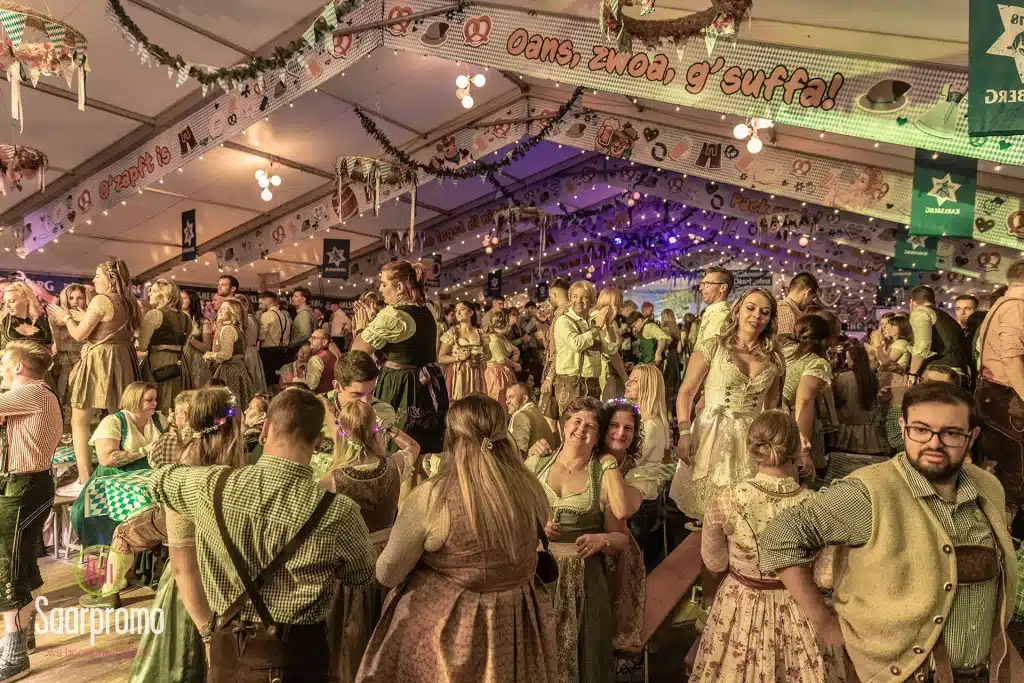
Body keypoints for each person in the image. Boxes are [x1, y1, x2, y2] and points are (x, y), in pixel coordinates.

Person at [760, 382, 1017, 683]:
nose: (934, 443)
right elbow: (780, 536)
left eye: (951, 433)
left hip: (982, 672)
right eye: (921, 430)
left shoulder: (988, 488)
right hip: (901, 675)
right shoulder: (870, 493)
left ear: (971, 437)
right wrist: (823, 621)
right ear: (903, 427)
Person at [149, 387, 376, 683]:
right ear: (319, 442)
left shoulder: (209, 487)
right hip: (297, 655)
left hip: (227, 649)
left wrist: (196, 446)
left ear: (265, 429)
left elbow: (157, 482)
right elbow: (360, 576)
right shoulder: (340, 512)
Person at [357, 395, 556, 683]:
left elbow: (388, 573)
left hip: (449, 633)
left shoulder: (434, 497)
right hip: (516, 625)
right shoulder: (531, 489)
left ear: (451, 438)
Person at [691, 410, 845, 683]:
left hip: (740, 606)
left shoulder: (727, 500)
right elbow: (825, 576)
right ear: (797, 450)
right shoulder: (816, 505)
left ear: (753, 448)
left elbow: (714, 562)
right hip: (802, 610)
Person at [128, 388, 244, 683]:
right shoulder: (184, 479)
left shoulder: (233, 471)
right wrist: (207, 631)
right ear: (232, 427)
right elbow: (183, 564)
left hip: (228, 588)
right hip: (195, 597)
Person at [525, 396, 633, 683]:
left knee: (586, 663)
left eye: (591, 426)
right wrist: (534, 527)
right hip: (537, 580)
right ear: (563, 426)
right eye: (576, 421)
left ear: (597, 437)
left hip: (585, 584)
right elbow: (510, 515)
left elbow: (622, 539)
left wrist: (602, 540)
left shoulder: (602, 473)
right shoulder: (536, 463)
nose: (581, 429)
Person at [671, 288, 787, 524]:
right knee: (711, 517)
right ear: (738, 309)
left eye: (765, 312)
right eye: (751, 308)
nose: (756, 316)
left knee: (747, 517)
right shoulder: (713, 346)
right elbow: (686, 392)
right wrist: (684, 431)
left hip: (753, 440)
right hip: (712, 437)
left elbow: (772, 405)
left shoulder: (774, 356)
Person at [320, 400, 401, 683]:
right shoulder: (394, 464)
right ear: (374, 428)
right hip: (390, 560)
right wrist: (389, 429)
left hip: (353, 566)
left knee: (352, 639)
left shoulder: (333, 479)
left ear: (343, 433)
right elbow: (413, 448)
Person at [48, 259, 142, 497]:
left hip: (100, 360)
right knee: (118, 416)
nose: (94, 280)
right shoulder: (131, 302)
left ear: (110, 279)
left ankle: (84, 480)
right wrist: (83, 315)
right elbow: (112, 325)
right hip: (122, 358)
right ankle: (120, 472)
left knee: (80, 419)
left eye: (97, 276)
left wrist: (66, 317)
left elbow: (80, 335)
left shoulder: (101, 300)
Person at [0, 341, 61, 682]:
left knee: (7, 566)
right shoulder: (30, 397)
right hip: (23, 486)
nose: (1, 367)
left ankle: (15, 651)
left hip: (25, 487)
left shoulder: (35, 393)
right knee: (20, 560)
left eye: (3, 362)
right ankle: (26, 633)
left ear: (20, 367)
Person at [350, 261, 448, 453]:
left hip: (400, 385)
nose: (380, 289)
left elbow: (358, 352)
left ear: (400, 287)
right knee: (420, 449)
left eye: (384, 284)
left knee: (396, 446)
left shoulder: (394, 315)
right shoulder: (427, 309)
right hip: (424, 385)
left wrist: (361, 328)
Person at [69, 381, 166, 549]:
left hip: (148, 477)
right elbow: (107, 459)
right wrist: (145, 450)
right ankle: (120, 549)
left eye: (155, 399)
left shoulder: (159, 419)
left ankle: (149, 553)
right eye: (149, 400)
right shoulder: (113, 422)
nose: (155, 403)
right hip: (113, 478)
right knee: (131, 513)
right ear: (135, 400)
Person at [976, 259, 1024, 509]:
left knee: (1005, 464)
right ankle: (1011, 540)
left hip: (995, 394)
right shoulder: (1017, 307)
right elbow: (1012, 358)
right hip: (1007, 398)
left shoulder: (1001, 305)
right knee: (1016, 468)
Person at [550, 281, 615, 418]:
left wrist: (608, 325)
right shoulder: (563, 321)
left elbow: (611, 348)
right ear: (569, 298)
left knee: (592, 425)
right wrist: (597, 328)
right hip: (571, 383)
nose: (578, 301)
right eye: (574, 296)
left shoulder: (593, 322)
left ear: (591, 301)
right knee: (572, 426)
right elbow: (576, 344)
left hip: (592, 381)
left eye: (584, 297)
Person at [780, 314, 834, 472]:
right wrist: (803, 451)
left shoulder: (784, 350)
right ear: (824, 340)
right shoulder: (817, 362)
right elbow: (804, 400)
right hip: (789, 421)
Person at [137, 279, 192, 412]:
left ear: (165, 295)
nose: (149, 294)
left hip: (158, 364)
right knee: (178, 407)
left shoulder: (154, 314)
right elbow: (184, 345)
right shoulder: (186, 318)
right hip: (180, 364)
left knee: (156, 405)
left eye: (155, 291)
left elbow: (142, 345)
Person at [908, 285, 971, 381]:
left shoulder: (920, 312)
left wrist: (912, 374)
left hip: (939, 374)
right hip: (957, 374)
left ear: (912, 302)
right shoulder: (947, 317)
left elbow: (922, 345)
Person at [204, 298, 255, 408]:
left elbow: (226, 354)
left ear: (234, 312)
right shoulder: (238, 329)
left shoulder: (227, 329)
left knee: (229, 404)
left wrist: (210, 355)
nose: (221, 311)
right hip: (240, 369)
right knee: (238, 404)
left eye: (225, 308)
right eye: (221, 308)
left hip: (230, 370)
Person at [51, 284, 87, 426]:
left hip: (84, 364)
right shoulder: (55, 318)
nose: (75, 301)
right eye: (71, 297)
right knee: (61, 404)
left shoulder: (90, 318)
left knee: (82, 409)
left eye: (80, 298)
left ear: (85, 299)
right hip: (62, 364)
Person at [438, 301, 487, 402]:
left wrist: (483, 357)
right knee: (458, 405)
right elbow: (441, 358)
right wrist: (458, 357)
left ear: (471, 312)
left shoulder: (480, 332)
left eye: (462, 309)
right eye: (456, 311)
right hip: (458, 374)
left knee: (476, 404)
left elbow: (488, 354)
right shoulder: (453, 332)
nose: (458, 313)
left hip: (476, 373)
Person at [592, 287, 627, 401]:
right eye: (619, 302)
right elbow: (611, 351)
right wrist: (625, 377)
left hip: (603, 371)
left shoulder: (609, 320)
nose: (621, 306)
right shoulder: (600, 319)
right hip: (603, 372)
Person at [483, 310, 521, 412]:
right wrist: (515, 364)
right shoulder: (494, 339)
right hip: (496, 375)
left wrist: (515, 355)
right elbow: (501, 360)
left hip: (504, 372)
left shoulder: (501, 336)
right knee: (500, 401)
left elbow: (514, 348)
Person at [0, 282, 52, 354]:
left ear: (27, 301)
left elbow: (52, 349)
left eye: (12, 301)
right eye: (5, 302)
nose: (7, 306)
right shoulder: (2, 320)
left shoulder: (44, 320)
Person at [507, 382, 556, 457]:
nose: (507, 402)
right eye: (506, 398)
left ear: (525, 398)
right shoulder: (536, 412)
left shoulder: (521, 415)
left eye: (511, 397)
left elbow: (518, 454)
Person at [234, 295, 267, 395]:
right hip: (253, 352)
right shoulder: (254, 318)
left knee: (248, 386)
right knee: (255, 383)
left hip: (245, 353)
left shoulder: (244, 319)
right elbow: (260, 337)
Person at [180, 289, 213, 389]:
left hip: (195, 361)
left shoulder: (203, 322)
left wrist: (190, 339)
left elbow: (207, 347)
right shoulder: (175, 317)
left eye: (184, 298)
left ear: (192, 300)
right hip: (179, 358)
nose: (180, 300)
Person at [257, 291, 290, 387]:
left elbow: (261, 336)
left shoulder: (267, 315)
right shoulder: (284, 316)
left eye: (261, 303)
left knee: (267, 381)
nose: (259, 306)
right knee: (278, 381)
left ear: (269, 301)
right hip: (282, 352)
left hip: (268, 353)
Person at [694, 267, 733, 345]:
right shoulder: (713, 312)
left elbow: (706, 353)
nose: (701, 288)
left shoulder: (722, 316)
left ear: (723, 288)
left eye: (707, 284)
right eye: (702, 284)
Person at [776, 272, 820, 336]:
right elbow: (787, 344)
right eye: (812, 298)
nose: (811, 302)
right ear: (808, 293)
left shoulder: (781, 307)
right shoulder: (787, 313)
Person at [297, 328, 338, 394]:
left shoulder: (316, 359)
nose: (309, 340)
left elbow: (310, 386)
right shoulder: (332, 356)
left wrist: (295, 380)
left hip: (319, 398)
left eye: (314, 338)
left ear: (324, 342)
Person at [660, 308, 683, 400]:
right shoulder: (676, 325)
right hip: (675, 353)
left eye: (663, 316)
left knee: (668, 374)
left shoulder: (666, 325)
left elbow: (665, 340)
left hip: (669, 352)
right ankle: (674, 395)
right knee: (674, 374)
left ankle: (667, 397)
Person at [288, 287, 316, 360]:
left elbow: (305, 335)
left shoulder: (304, 313)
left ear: (303, 299)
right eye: (293, 296)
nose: (292, 298)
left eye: (296, 296)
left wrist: (290, 343)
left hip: (302, 351)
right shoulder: (305, 312)